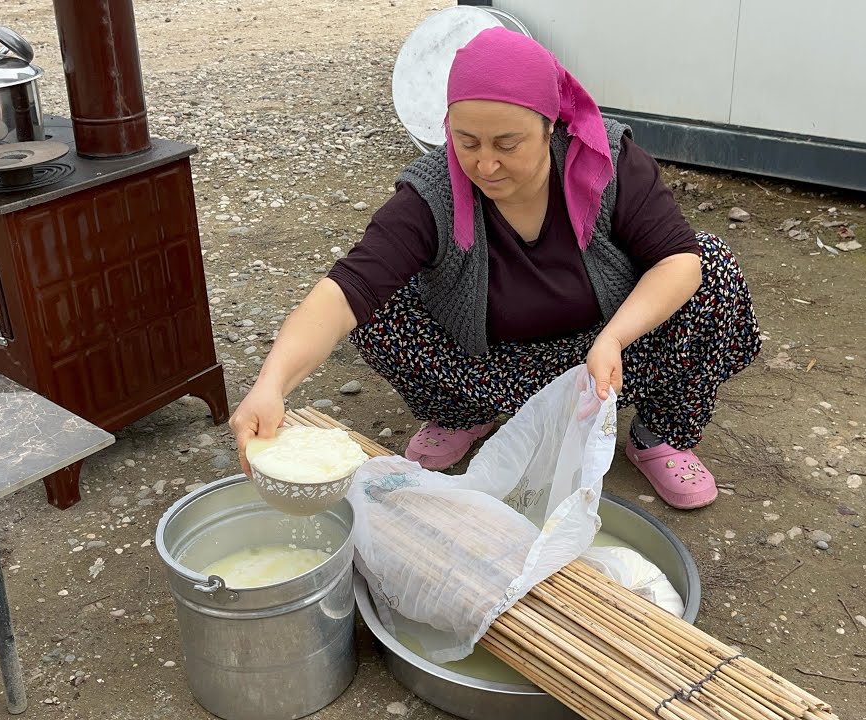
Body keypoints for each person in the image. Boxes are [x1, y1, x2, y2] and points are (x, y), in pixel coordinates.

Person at [230, 27, 761, 510]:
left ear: (550, 124)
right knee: (381, 302)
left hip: (604, 357)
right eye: (467, 142)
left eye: (508, 144)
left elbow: (678, 261)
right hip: (491, 360)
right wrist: (271, 383)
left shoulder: (608, 163)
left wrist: (616, 338)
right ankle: (463, 412)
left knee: (710, 266)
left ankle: (660, 435)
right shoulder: (432, 191)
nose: (485, 164)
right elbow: (341, 294)